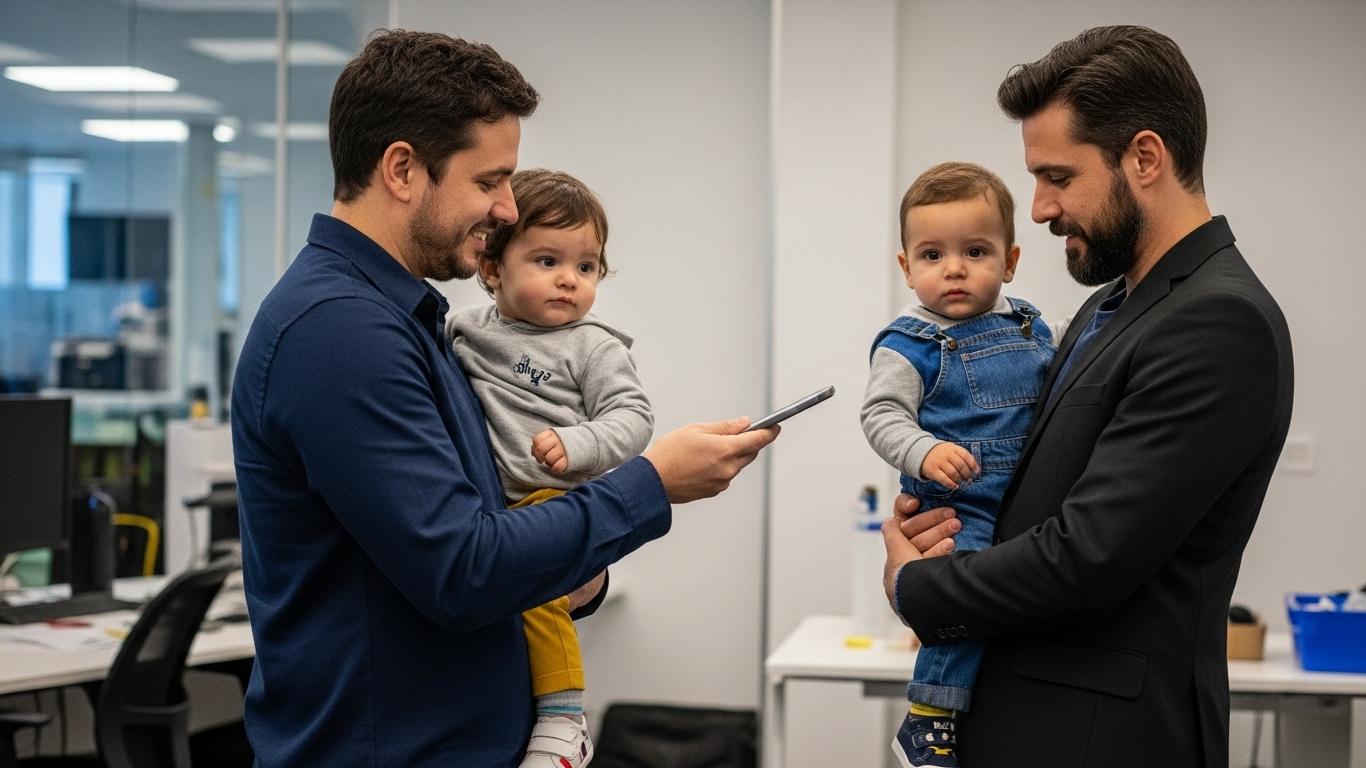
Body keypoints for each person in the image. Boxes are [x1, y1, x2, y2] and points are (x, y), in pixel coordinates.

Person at [231, 31, 778, 767]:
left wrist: (574, 574)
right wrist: (652, 484)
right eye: (489, 180)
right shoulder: (338, 332)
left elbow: (477, 527)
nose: (506, 207)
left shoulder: (412, 319)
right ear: (402, 169)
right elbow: (462, 570)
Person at [881, 25, 1294, 768]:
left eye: (1059, 177)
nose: (1038, 209)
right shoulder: (1112, 305)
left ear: (1144, 157)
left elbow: (1088, 559)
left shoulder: (1217, 321)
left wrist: (921, 585)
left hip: (1102, 740)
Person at [446, 168, 649, 767]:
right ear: (491, 268)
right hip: (484, 504)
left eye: (586, 267)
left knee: (535, 595)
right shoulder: (460, 330)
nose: (569, 280)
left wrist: (579, 442)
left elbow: (633, 418)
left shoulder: (594, 346)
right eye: (546, 261)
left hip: (547, 499)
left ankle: (564, 717)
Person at [862, 162, 1059, 768]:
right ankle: (928, 715)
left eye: (975, 251)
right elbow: (881, 417)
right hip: (957, 502)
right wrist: (924, 450)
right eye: (932, 254)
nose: (954, 268)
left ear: (1011, 261)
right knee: (960, 602)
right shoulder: (907, 345)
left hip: (1026, 498)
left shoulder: (1033, 325)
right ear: (906, 268)